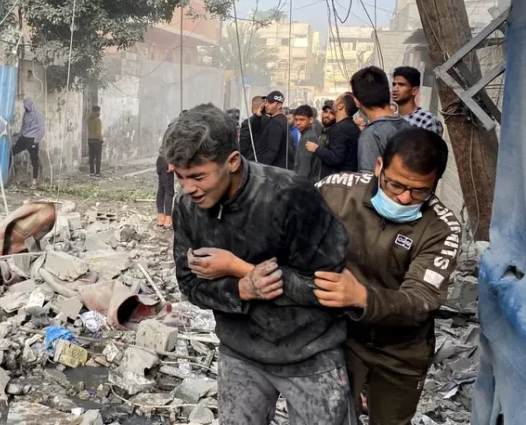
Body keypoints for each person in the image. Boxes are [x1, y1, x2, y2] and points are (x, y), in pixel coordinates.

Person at [164, 104, 354, 425]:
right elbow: (189, 284)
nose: (188, 188)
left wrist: (242, 270)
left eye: (198, 176)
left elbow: (330, 287)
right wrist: (240, 288)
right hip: (240, 353)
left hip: (311, 354)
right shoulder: (186, 207)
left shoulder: (291, 195)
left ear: (232, 162)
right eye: (180, 177)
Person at [313, 128, 459, 425]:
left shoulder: (441, 228)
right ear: (379, 166)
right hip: (339, 336)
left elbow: (420, 300)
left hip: (401, 350)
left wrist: (361, 297)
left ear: (435, 183)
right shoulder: (336, 191)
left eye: (419, 191)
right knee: (330, 417)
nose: (404, 198)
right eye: (395, 185)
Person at [352, 66, 409, 172]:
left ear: (357, 102)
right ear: (389, 94)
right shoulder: (409, 127)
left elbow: (369, 178)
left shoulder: (371, 136)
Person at [307, 93, 360, 179]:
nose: (334, 103)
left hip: (338, 181)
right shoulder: (350, 126)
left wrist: (316, 148)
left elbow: (335, 158)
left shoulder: (340, 128)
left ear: (340, 106)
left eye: (337, 100)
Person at [392, 66, 444, 136]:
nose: (395, 89)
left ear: (414, 90)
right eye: (394, 84)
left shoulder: (427, 120)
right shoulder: (391, 119)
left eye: (401, 85)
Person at [256, 91, 295, 169]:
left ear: (279, 105)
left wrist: (262, 167)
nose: (266, 105)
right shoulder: (283, 119)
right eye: (266, 102)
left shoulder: (276, 122)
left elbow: (272, 149)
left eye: (270, 103)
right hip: (281, 167)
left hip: (273, 168)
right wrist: (258, 116)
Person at [11, 98, 45, 189]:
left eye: (26, 106)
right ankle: (9, 176)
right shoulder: (25, 114)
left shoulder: (38, 115)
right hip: (24, 138)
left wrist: (36, 140)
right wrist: (19, 136)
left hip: (32, 139)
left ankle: (34, 181)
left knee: (34, 160)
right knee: (11, 153)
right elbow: (23, 126)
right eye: (24, 106)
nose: (25, 107)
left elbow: (42, 129)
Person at [293, 105, 320, 181]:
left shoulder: (307, 138)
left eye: (302, 120)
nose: (298, 123)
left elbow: (304, 169)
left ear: (310, 120)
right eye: (296, 120)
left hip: (305, 182)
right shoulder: (308, 134)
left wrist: (298, 184)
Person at [239, 96, 265, 162]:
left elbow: (243, 146)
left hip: (250, 159)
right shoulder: (269, 122)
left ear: (252, 107)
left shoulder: (247, 123)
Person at [155, 152, 174, 229]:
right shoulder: (171, 142)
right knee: (169, 190)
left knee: (161, 189)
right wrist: (171, 162)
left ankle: (161, 218)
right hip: (167, 161)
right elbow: (170, 148)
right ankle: (168, 219)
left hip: (160, 160)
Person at [87, 105, 103, 177]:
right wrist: (101, 140)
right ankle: (97, 173)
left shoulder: (88, 119)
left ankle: (91, 172)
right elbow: (98, 132)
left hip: (90, 139)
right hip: (97, 140)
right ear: (98, 111)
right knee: (98, 157)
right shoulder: (98, 120)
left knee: (91, 156)